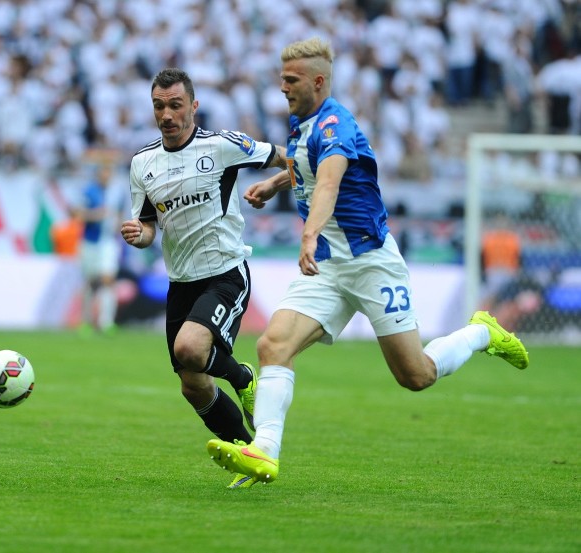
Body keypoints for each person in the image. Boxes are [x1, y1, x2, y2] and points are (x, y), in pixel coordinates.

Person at [205, 37, 530, 487]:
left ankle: (480, 332)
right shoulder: (301, 125)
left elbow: (329, 183)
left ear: (318, 81)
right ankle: (265, 451)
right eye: (281, 78)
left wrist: (309, 231)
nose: (282, 87)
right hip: (326, 266)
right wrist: (277, 184)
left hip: (370, 262)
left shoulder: (338, 124)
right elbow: (307, 168)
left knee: (415, 376)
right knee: (272, 345)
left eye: (291, 79)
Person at [120, 68, 288, 489]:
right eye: (159, 106)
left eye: (176, 105)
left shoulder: (223, 145)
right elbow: (147, 228)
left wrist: (275, 182)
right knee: (192, 386)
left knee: (190, 349)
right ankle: (251, 454)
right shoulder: (143, 163)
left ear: (193, 106)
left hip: (226, 273)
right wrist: (138, 235)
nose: (167, 114)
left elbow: (287, 156)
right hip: (181, 282)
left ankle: (242, 378)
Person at [75, 162, 124, 335]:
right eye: (104, 171)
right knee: (90, 282)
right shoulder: (89, 191)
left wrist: (118, 225)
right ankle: (86, 321)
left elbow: (119, 213)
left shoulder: (117, 192)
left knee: (108, 279)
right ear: (98, 174)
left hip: (108, 242)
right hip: (90, 242)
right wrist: (97, 214)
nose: (106, 175)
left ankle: (106, 322)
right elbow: (78, 214)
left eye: (109, 171)